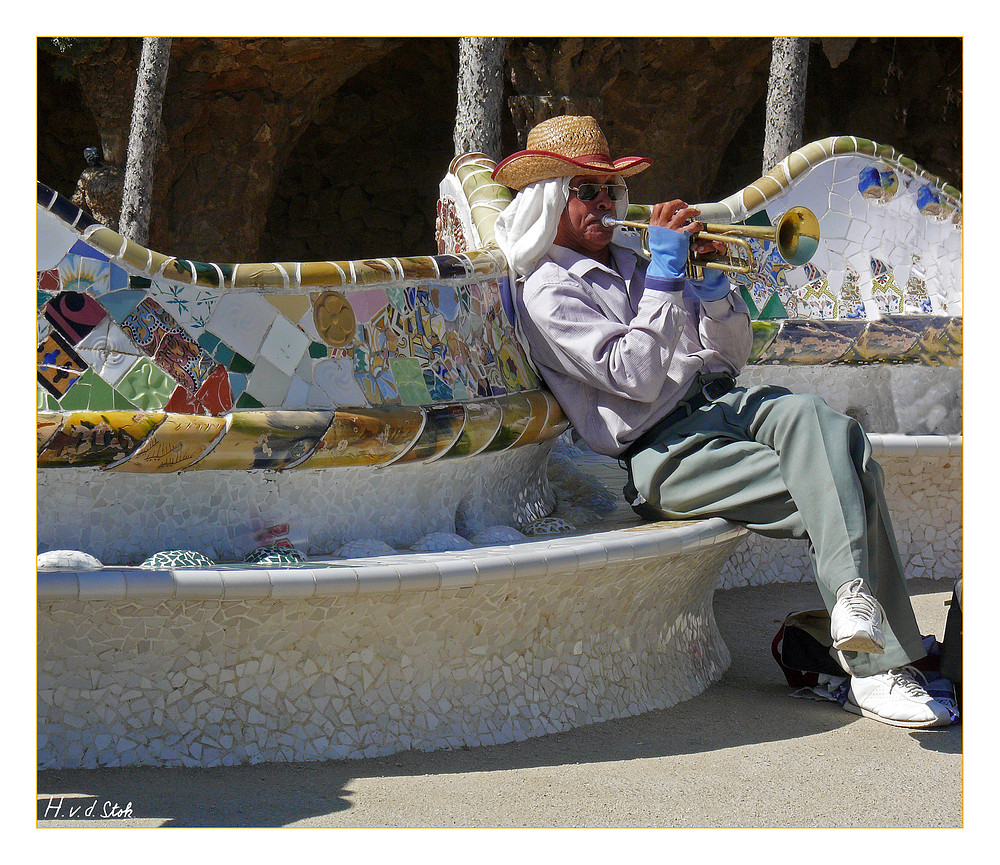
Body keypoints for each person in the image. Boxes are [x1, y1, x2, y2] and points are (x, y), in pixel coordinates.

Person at [491, 114, 953, 728]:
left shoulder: (637, 262)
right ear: (550, 200)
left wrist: (708, 283)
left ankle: (856, 618)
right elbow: (637, 376)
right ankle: (884, 667)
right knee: (850, 468)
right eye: (586, 192)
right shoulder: (548, 291)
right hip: (663, 454)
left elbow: (729, 358)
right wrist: (664, 274)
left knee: (815, 419)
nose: (605, 204)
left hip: (718, 407)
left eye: (610, 190)